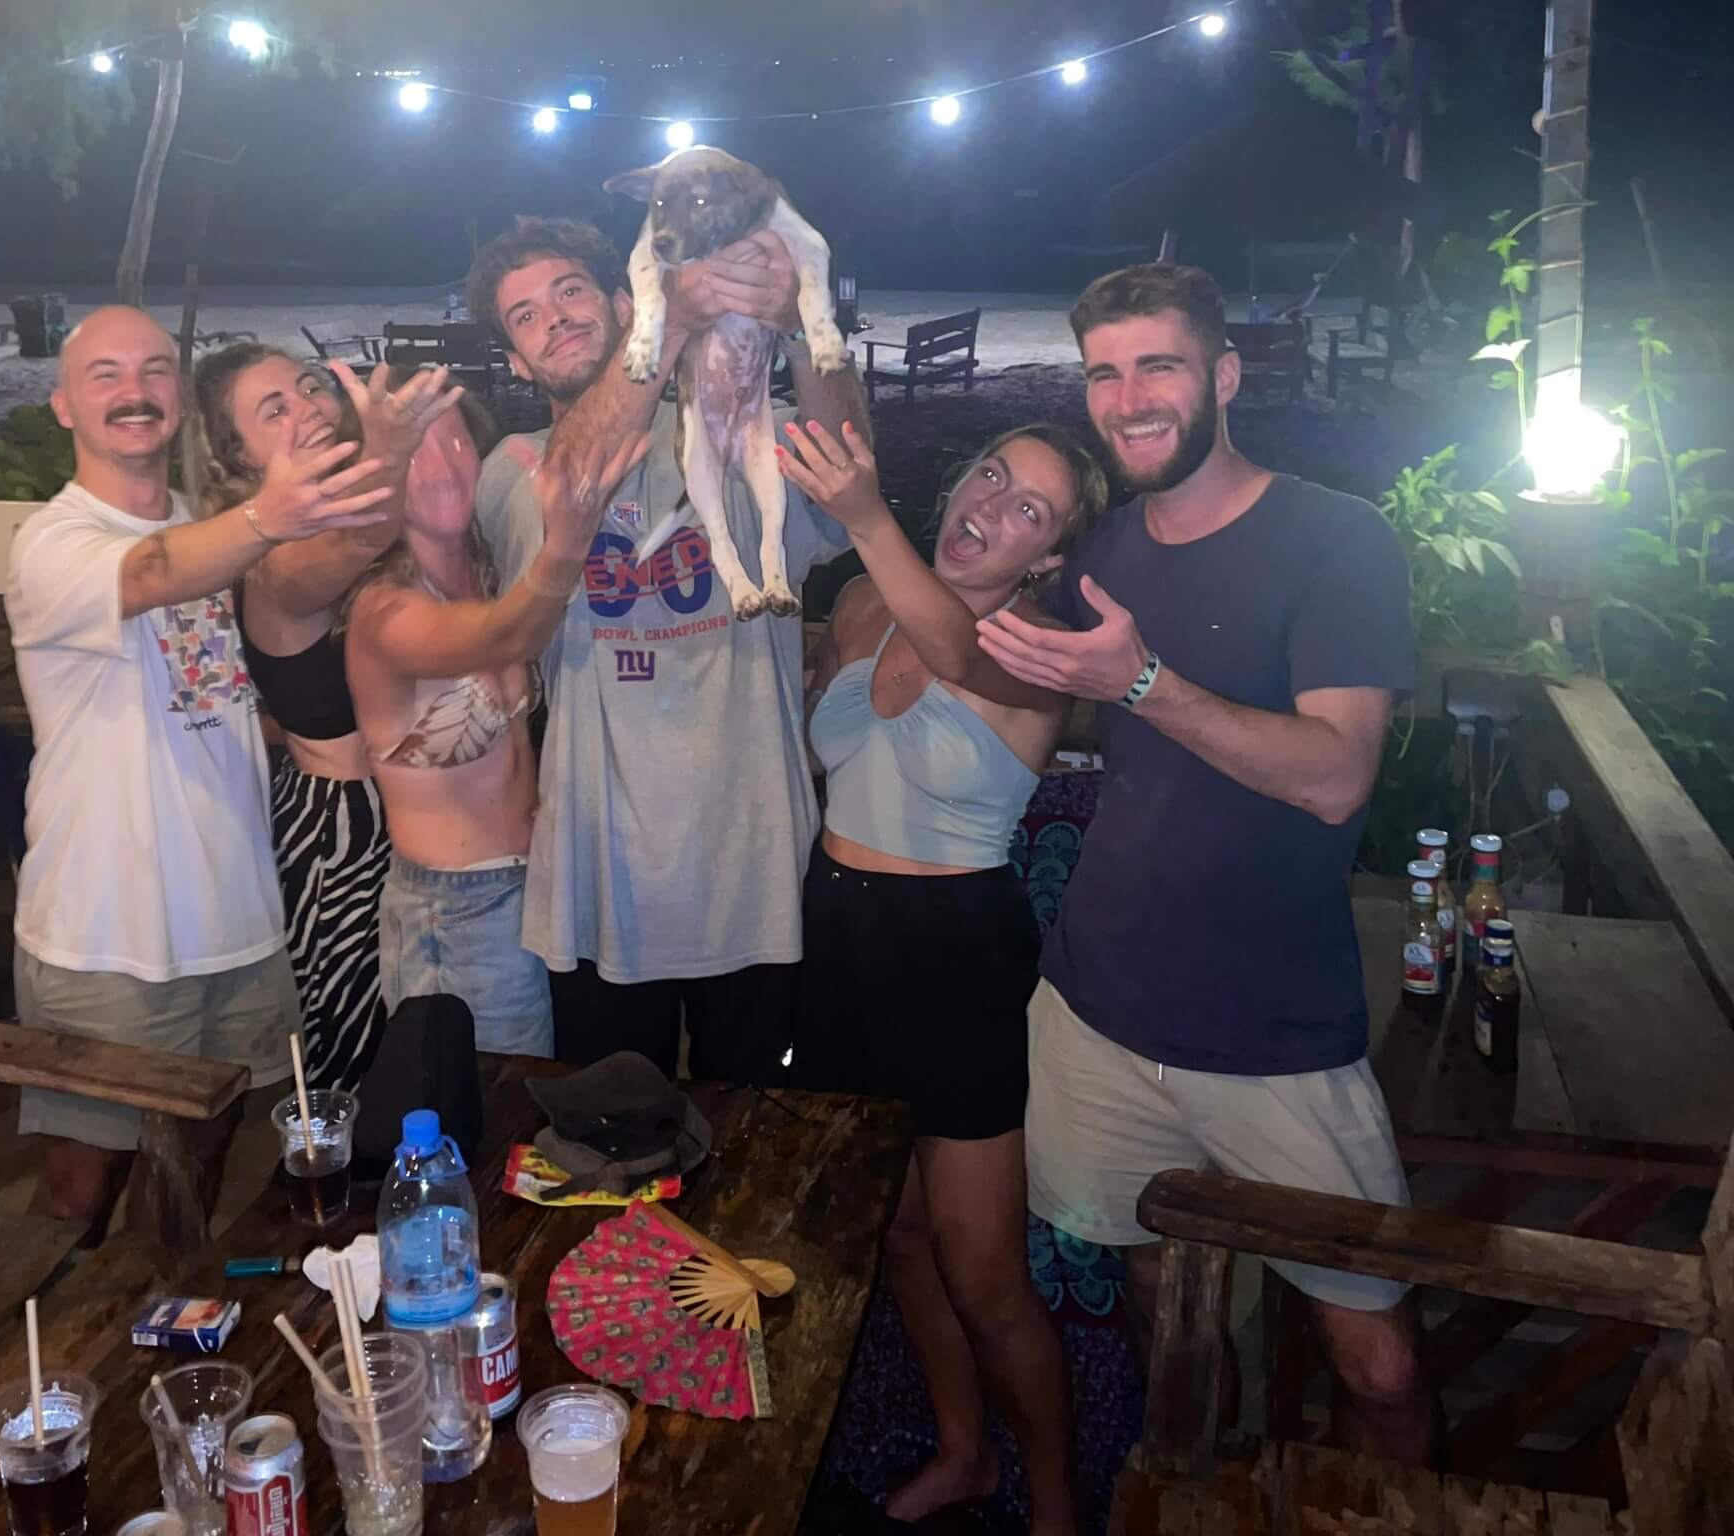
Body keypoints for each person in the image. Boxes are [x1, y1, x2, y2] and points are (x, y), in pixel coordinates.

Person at [976, 263, 1435, 1463]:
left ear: (1222, 377)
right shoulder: (1104, 552)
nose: (1127, 400)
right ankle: (1197, 1481)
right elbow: (1074, 707)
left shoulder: (1334, 540)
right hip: (1097, 1009)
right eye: (1103, 374)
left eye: (1157, 366)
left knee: (1376, 1360)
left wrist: (1138, 682)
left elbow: (1335, 774)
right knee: (1156, 1304)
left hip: (1276, 1034)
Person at [5, 306, 394, 1236]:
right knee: (79, 1187)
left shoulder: (218, 532)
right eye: (104, 375)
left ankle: (159, 1337)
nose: (133, 391)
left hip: (239, 921)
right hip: (105, 935)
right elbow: (147, 576)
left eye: (152, 370)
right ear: (64, 405)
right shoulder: (52, 543)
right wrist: (271, 514)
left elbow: (221, 691)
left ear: (179, 398)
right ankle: (39, 1361)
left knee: (195, 1175)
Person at [781, 418, 1104, 1533]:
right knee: (898, 1231)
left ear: (1047, 559)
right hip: (836, 938)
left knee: (984, 1274)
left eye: (1031, 511)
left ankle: (1055, 1505)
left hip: (954, 953)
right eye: (990, 474)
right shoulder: (861, 603)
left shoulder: (1036, 652)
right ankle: (964, 1453)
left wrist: (864, 513)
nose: (991, 507)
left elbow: (958, 658)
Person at [463, 215, 869, 1084]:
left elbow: (847, 467)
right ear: (517, 364)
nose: (556, 318)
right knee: (609, 1153)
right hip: (596, 883)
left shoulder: (737, 426)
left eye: (570, 292)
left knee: (761, 1150)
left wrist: (801, 322)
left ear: (620, 301)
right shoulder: (513, 466)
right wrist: (673, 323)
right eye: (525, 316)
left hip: (755, 868)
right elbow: (575, 479)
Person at [190, 344, 464, 1091]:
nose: (308, 407)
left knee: (436, 1050)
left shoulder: (379, 534)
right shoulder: (274, 562)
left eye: (310, 388)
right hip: (346, 835)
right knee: (357, 1062)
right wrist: (390, 448)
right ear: (236, 456)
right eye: (274, 410)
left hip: (435, 819)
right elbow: (359, 536)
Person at [345, 385, 648, 1055]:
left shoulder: (485, 568)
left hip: (537, 890)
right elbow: (504, 640)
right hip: (452, 915)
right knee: (478, 1124)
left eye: (456, 439)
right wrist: (567, 544)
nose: (445, 463)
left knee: (537, 1115)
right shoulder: (382, 609)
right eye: (417, 448)